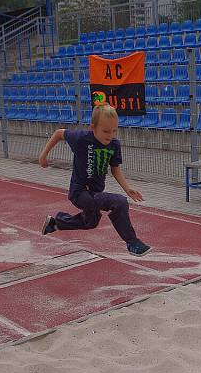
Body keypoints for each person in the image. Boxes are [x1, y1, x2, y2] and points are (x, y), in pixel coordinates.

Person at [38, 102, 152, 257]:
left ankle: (55, 223)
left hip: (95, 193)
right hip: (80, 192)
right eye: (105, 131)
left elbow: (115, 169)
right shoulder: (81, 139)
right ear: (93, 127)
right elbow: (59, 133)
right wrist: (43, 155)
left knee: (90, 222)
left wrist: (127, 188)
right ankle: (133, 243)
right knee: (119, 202)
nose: (110, 135)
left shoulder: (114, 145)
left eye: (114, 131)